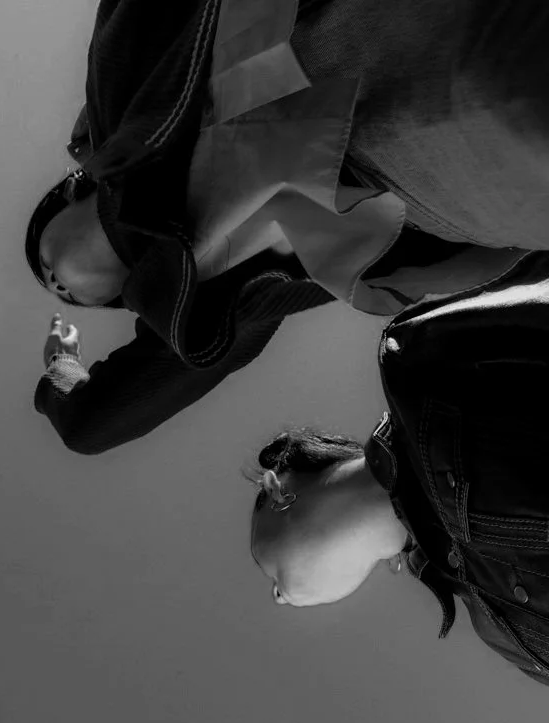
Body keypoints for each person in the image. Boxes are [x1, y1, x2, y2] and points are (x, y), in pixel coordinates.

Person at [30, 0, 549, 455]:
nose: (57, 286)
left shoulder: (122, 93)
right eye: (81, 300)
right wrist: (63, 367)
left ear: (75, 189)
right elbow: (92, 424)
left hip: (351, 48)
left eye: (42, 257)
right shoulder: (202, 299)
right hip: (430, 186)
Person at [247, 252, 549, 687]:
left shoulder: (416, 360)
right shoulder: (500, 632)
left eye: (266, 568)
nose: (278, 597)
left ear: (278, 489)